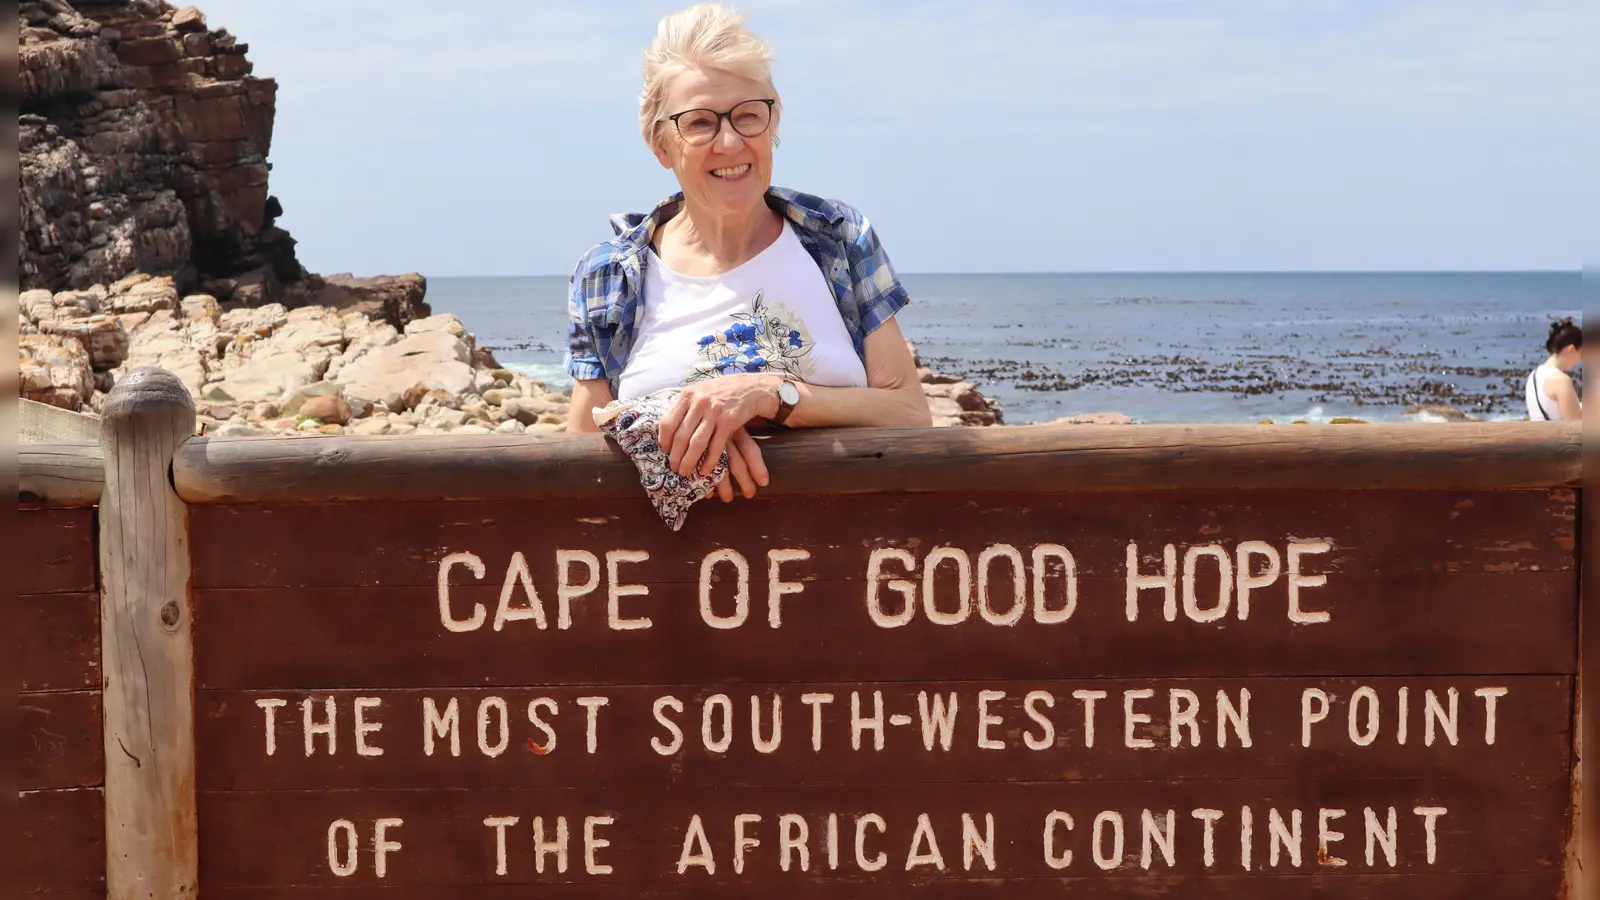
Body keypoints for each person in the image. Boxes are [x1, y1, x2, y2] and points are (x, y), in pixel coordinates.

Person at [563, 3, 932, 503]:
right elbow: (582, 459)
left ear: (772, 121)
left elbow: (910, 414)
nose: (730, 141)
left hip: (844, 564)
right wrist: (689, 422)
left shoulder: (837, 239)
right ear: (661, 145)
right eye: (699, 123)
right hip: (675, 574)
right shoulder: (610, 276)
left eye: (748, 115)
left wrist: (768, 396)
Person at [1524, 317, 1582, 421]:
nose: (1580, 360)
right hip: (1556, 437)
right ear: (1572, 349)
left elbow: (1554, 409)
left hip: (1539, 436)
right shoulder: (1561, 380)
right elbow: (1576, 428)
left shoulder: (1534, 375)